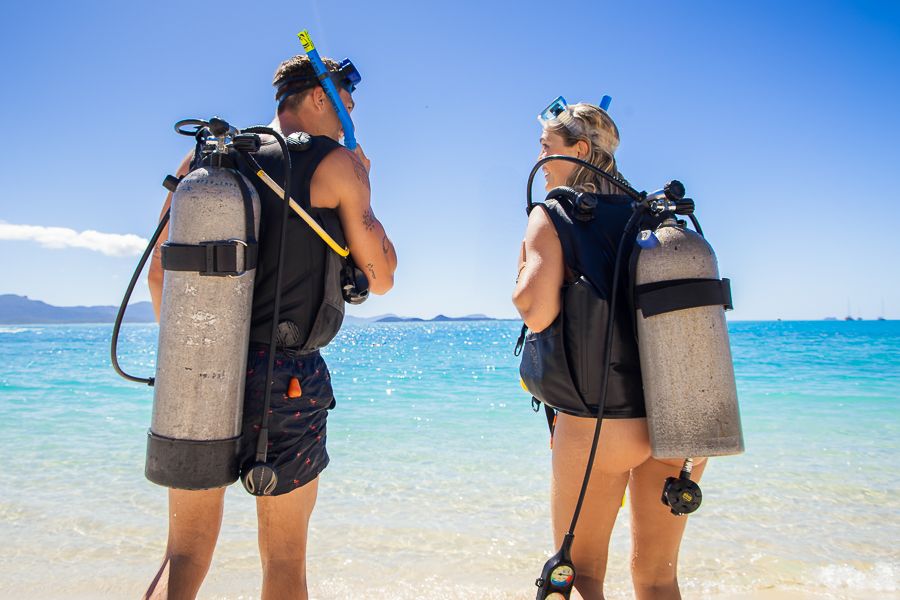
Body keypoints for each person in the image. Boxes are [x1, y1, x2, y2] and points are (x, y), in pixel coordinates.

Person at [144, 53, 397, 600]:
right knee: (284, 559)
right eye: (346, 103)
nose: (349, 114)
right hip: (286, 378)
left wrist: (196, 354)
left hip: (195, 368)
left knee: (183, 550)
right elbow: (382, 276)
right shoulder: (336, 163)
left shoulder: (207, 158)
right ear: (317, 98)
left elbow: (161, 272)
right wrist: (364, 180)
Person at [512, 99, 706, 600]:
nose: (540, 160)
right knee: (659, 578)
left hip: (600, 424)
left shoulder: (552, 214)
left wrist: (524, 263)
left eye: (546, 148)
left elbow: (533, 309)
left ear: (579, 152)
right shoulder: (654, 215)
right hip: (680, 422)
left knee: (579, 575)